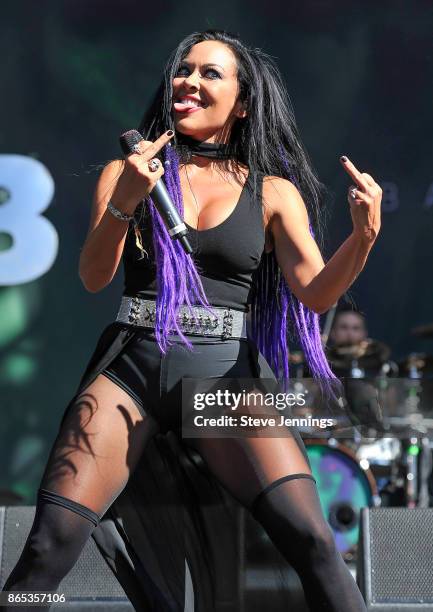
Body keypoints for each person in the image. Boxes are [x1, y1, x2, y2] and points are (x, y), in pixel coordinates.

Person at [1, 29, 382, 612]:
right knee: (49, 544)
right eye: (184, 70)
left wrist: (363, 237)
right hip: (133, 365)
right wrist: (128, 198)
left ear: (244, 100)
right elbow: (92, 276)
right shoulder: (129, 172)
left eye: (210, 73)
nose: (189, 81)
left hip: (224, 383)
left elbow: (316, 294)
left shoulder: (273, 192)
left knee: (312, 541)